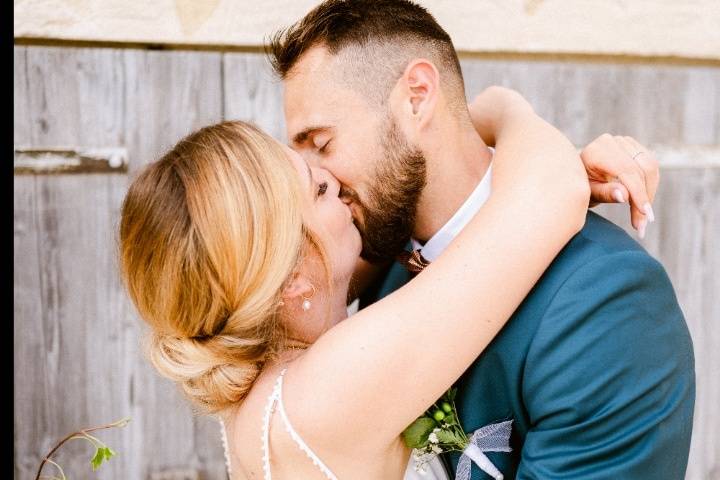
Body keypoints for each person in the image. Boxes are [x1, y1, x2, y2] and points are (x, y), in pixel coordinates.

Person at [271, 1, 695, 478]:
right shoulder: (376, 263)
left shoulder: (608, 299)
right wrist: (505, 113)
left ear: (417, 96)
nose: (318, 178)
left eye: (323, 144)